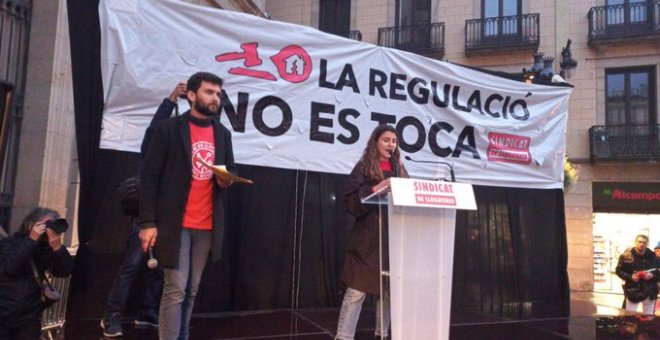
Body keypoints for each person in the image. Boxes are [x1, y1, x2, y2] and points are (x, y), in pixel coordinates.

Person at [139, 71, 236, 340]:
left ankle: (182, 336)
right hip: (175, 223)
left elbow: (229, 170)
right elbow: (149, 178)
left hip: (207, 225)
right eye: (209, 92)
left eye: (218, 93)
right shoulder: (168, 129)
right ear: (191, 95)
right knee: (176, 288)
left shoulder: (223, 134)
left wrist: (225, 179)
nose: (215, 97)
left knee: (192, 289)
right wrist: (147, 223)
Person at [100, 82, 186, 338]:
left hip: (168, 219)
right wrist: (171, 98)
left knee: (160, 269)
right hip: (146, 217)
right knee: (132, 266)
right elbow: (155, 126)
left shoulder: (179, 160)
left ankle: (147, 313)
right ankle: (110, 316)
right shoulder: (153, 149)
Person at [336, 124, 408, 340]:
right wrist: (376, 188)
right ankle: (343, 336)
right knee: (357, 291)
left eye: (394, 141)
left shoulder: (400, 170)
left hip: (392, 237)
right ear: (375, 142)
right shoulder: (363, 168)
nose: (391, 145)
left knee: (388, 290)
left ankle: (382, 335)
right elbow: (349, 200)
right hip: (367, 240)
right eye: (386, 140)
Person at [0, 207, 74, 339]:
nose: (49, 229)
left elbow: (64, 271)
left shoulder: (45, 248)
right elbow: (11, 267)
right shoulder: (9, 243)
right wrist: (31, 240)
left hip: (30, 316)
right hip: (4, 312)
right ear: (30, 224)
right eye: (46, 224)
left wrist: (57, 248)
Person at [615, 234, 658, 315]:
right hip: (633, 291)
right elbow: (619, 270)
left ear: (647, 244)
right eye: (640, 242)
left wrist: (652, 276)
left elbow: (658, 272)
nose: (642, 244)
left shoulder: (653, 257)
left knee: (649, 317)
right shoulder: (626, 256)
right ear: (635, 242)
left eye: (644, 243)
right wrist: (630, 277)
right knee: (629, 317)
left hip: (650, 291)